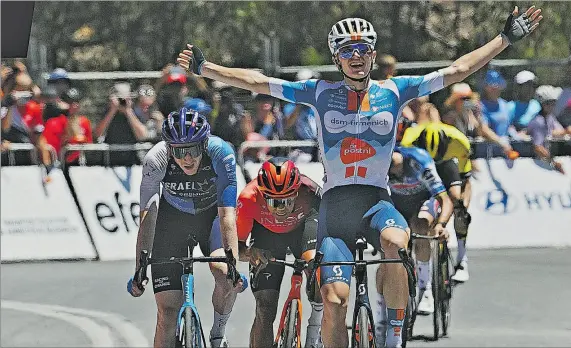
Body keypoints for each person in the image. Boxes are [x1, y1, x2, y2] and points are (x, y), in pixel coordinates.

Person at [177, 8, 542, 347]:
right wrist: (207, 68)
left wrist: (504, 39)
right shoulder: (319, 93)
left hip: (376, 200)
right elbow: (259, 82)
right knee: (335, 300)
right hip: (335, 207)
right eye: (348, 50)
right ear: (337, 57)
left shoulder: (395, 91)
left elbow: (457, 70)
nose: (356, 56)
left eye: (363, 49)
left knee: (397, 245)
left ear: (372, 54)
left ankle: (394, 334)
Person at [128, 107, 246, 348]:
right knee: (167, 312)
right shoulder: (156, 158)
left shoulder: (220, 152)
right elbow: (148, 217)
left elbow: (227, 216)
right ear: (170, 149)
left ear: (203, 145)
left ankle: (218, 333)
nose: (187, 158)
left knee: (223, 272)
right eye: (180, 151)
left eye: (193, 150)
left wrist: (233, 264)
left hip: (211, 217)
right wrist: (141, 266)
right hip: (172, 222)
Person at [237, 157, 323, 348]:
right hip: (267, 236)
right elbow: (237, 247)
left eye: (287, 200)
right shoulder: (248, 198)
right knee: (265, 308)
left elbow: (331, 228)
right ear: (262, 195)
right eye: (274, 202)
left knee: (316, 268)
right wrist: (251, 253)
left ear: (297, 191)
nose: (281, 208)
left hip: (303, 226)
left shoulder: (311, 191)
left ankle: (314, 331)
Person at [375, 145, 453, 343]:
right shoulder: (379, 168)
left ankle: (425, 288)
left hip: (424, 202)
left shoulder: (418, 162)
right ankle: (381, 310)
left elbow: (444, 199)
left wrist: (441, 224)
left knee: (420, 226)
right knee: (388, 248)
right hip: (398, 205)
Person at [400, 122, 474, 283]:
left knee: (457, 201)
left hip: (446, 164)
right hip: (422, 167)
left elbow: (466, 181)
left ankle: (462, 258)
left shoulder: (460, 142)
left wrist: (461, 210)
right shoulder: (408, 142)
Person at [527, 85, 571, 174]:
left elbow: (556, 132)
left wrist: (567, 130)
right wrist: (554, 163)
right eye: (551, 103)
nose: (554, 105)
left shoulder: (550, 117)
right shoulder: (538, 122)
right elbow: (538, 147)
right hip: (537, 166)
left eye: (554, 102)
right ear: (544, 104)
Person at [508, 70, 541, 135]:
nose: (530, 88)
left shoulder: (537, 105)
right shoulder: (509, 107)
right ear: (518, 87)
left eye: (532, 85)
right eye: (527, 85)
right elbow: (506, 126)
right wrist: (516, 135)